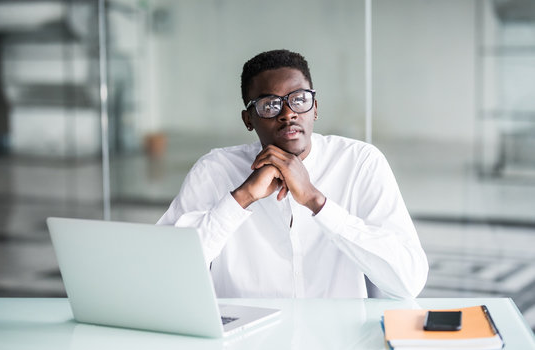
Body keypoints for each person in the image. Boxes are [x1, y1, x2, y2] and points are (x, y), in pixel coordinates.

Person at [158, 49, 428, 299]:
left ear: (315, 108)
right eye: (270, 105)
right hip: (245, 347)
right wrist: (240, 198)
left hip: (337, 345)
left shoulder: (360, 163)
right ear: (248, 119)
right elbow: (163, 273)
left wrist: (316, 201)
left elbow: (408, 282)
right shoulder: (214, 171)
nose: (288, 114)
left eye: (299, 100)